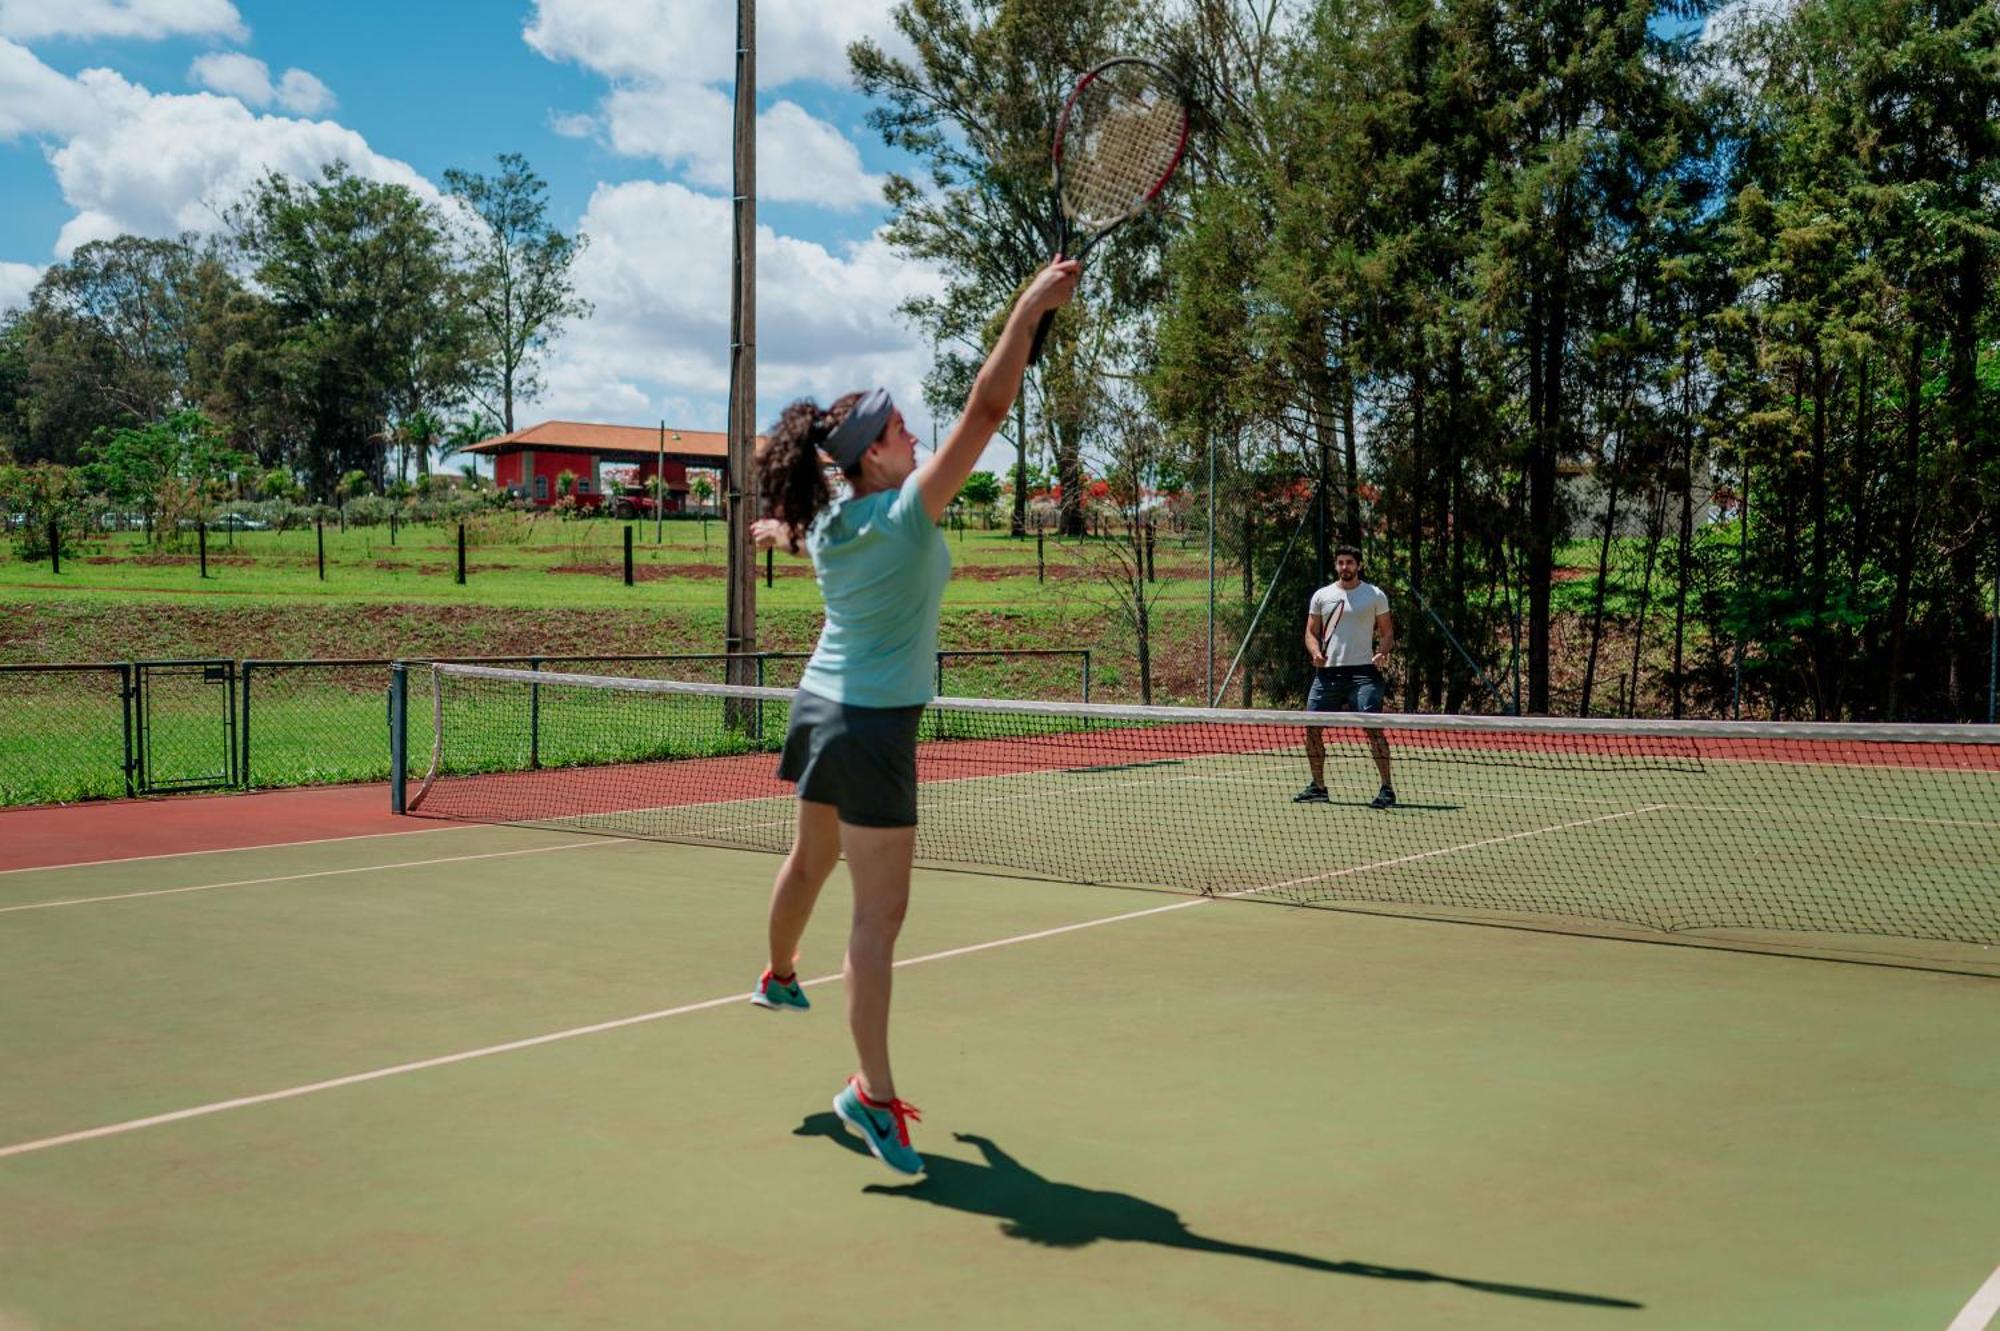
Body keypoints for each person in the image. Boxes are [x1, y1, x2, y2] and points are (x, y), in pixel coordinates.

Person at [745, 258, 1082, 1176]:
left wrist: (773, 527)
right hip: (873, 723)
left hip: (817, 708)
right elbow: (987, 412)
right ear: (875, 458)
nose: (911, 427)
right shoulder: (899, 513)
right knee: (876, 920)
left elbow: (790, 519)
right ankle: (873, 1095)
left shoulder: (827, 522)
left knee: (810, 861)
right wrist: (1025, 309)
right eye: (896, 425)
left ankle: (776, 976)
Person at [1293, 544, 1397, 809]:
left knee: (1372, 729)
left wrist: (1382, 653)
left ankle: (1387, 789)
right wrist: (1315, 652)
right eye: (1340, 562)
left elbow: (1387, 633)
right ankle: (1318, 787)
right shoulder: (1322, 596)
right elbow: (1310, 632)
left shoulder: (1374, 595)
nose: (1344, 567)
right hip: (1327, 675)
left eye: (1349, 562)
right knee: (1311, 730)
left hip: (1364, 674)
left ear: (1358, 565)